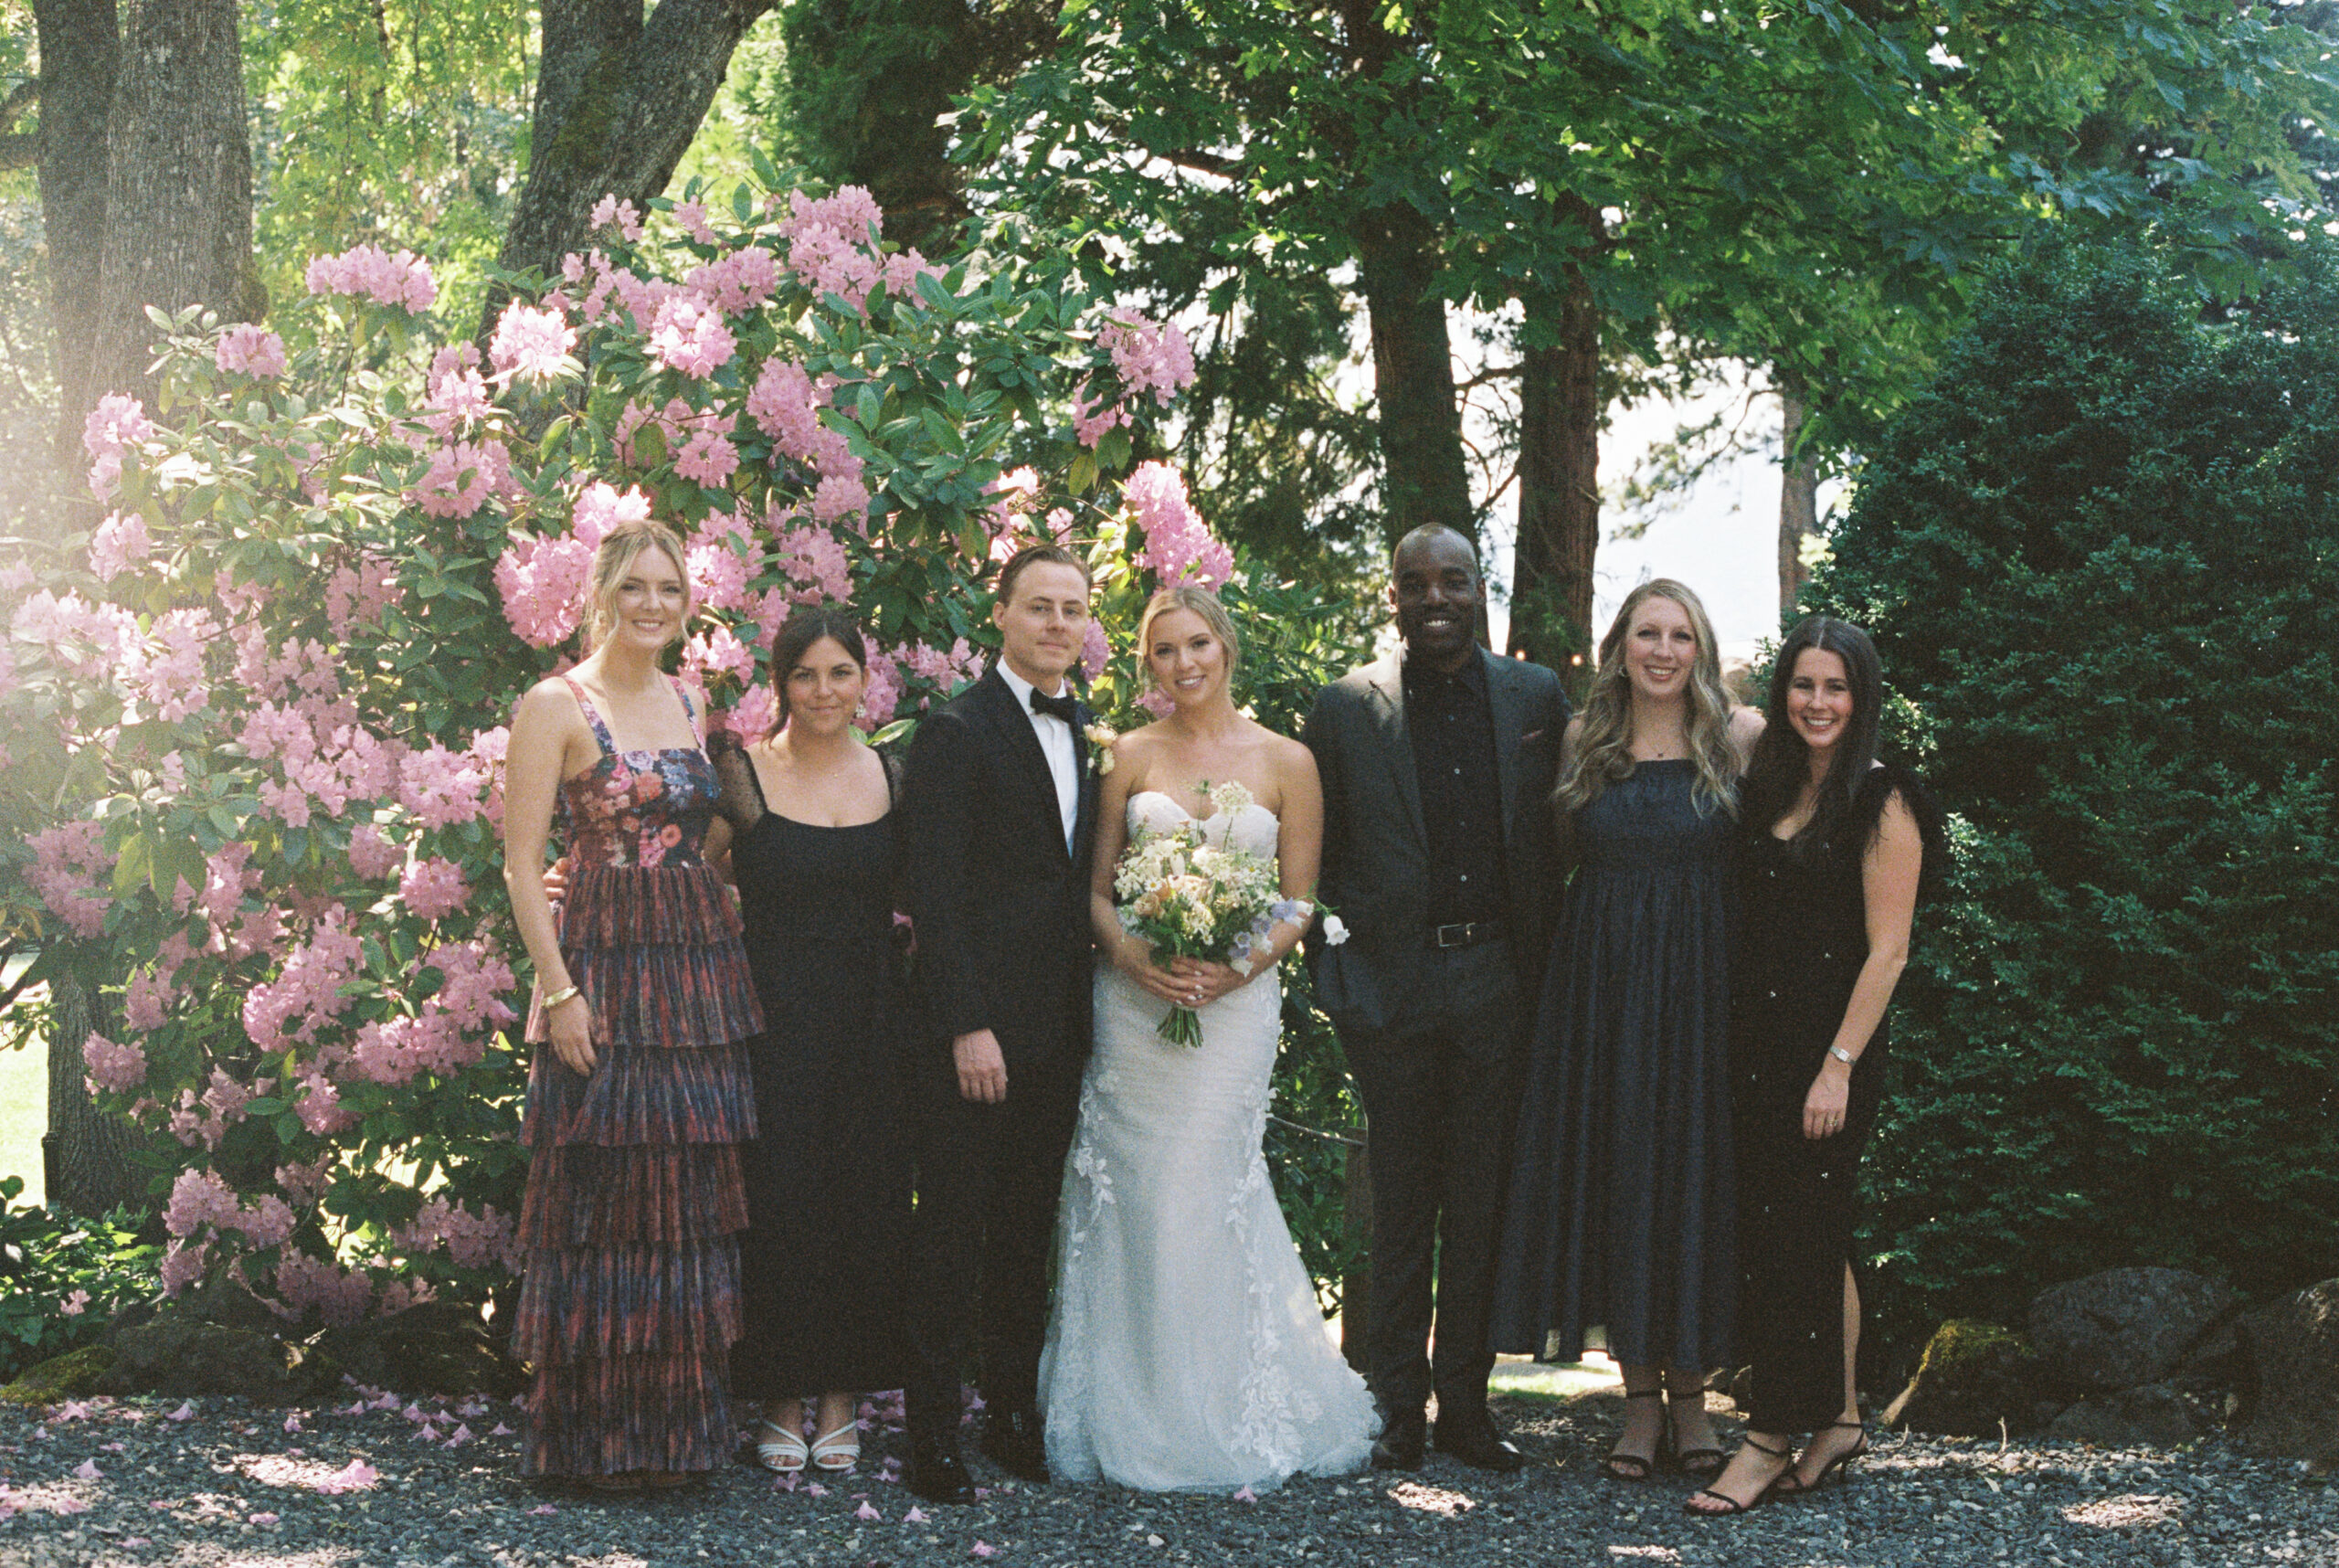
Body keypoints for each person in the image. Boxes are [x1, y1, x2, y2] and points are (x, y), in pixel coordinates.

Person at [1040, 586, 1379, 1491]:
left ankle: (1231, 1406)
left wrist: (1235, 968)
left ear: (1224, 647)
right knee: (1136, 1191)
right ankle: (1132, 1409)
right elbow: (1098, 890)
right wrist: (1136, 954)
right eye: (1162, 651)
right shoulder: (1128, 755)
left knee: (1204, 1184)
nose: (1183, 663)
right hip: (1136, 1002)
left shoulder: (1287, 760)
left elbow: (1298, 900)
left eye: (1197, 644)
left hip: (1233, 1004)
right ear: (1146, 665)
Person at [500, 517, 762, 1491]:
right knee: (606, 1205)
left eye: (670, 588)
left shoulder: (689, 701)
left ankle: (675, 1445)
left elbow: (706, 832)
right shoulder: (554, 704)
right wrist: (559, 991)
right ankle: (594, 1446)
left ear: (687, 601)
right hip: (601, 975)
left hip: (691, 981)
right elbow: (523, 864)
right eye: (636, 585)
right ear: (602, 591)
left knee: (683, 1205)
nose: (653, 603)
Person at [1303, 524, 1570, 1474]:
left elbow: (1561, 828)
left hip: (1498, 980)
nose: (1434, 598)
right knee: (1401, 1202)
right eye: (1413, 583)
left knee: (1481, 1198)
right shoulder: (1343, 707)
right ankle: (1394, 1411)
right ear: (1393, 596)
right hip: (1391, 984)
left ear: (1476, 586)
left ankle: (1466, 1407)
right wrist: (1339, 965)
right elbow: (1313, 847)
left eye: (1451, 580)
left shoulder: (1534, 696)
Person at [1490, 577, 1760, 1484]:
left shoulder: (1739, 739)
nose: (1662, 650)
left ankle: (1694, 1405)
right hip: (1600, 995)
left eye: (1680, 635)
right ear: (1621, 645)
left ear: (1701, 649)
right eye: (1647, 633)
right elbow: (1563, 862)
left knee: (1691, 1178)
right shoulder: (1582, 741)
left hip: (1704, 996)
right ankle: (1638, 1406)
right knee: (1619, 1176)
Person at [1685, 616, 1942, 1516]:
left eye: (1836, 687)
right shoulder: (1771, 786)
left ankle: (1764, 1439)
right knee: (1803, 1237)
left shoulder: (1884, 800)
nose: (1818, 702)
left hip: (1828, 1056)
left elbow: (1889, 951)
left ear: (1860, 696)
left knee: (1795, 1236)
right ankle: (1836, 1421)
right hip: (1755, 1047)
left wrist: (1836, 1066)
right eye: (1804, 685)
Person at [896, 544, 1102, 1505]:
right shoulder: (955, 730)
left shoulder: (1089, 730)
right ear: (1003, 617)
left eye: (1072, 608)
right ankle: (931, 1435)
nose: (1057, 624)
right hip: (975, 1036)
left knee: (1025, 1231)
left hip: (1061, 1028)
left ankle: (1012, 1418)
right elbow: (932, 897)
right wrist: (965, 1025)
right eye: (1039, 608)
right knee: (952, 1233)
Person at [706, 606, 912, 1477]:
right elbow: (693, 872)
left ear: (864, 681)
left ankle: (841, 1397)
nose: (823, 691)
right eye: (804, 675)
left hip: (874, 1021)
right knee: (780, 1201)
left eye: (839, 673)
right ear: (779, 685)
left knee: (864, 1201)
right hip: (774, 1019)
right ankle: (781, 1396)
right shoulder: (746, 776)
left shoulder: (898, 776)